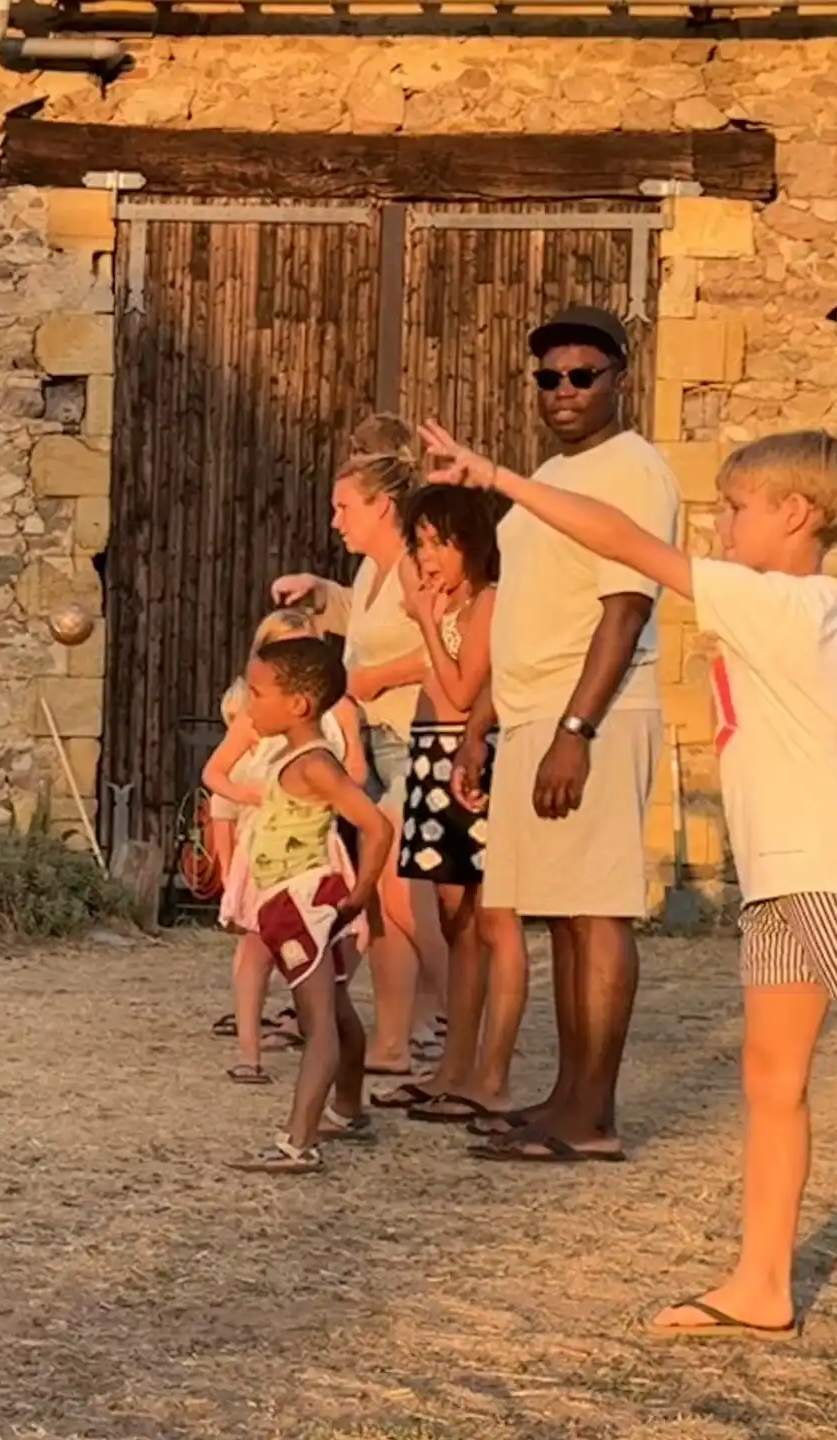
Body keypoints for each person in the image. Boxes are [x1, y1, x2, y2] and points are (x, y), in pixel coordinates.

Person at [422, 421, 837, 1357]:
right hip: (783, 881)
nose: (720, 526)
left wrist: (500, 478)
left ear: (796, 514)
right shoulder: (818, 613)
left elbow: (622, 540)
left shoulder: (779, 603)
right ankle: (762, 1285)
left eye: (736, 508)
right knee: (772, 1081)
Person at [442, 305, 680, 1163]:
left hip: (594, 713)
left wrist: (576, 730)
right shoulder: (550, 474)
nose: (564, 390)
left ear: (620, 381)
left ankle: (595, 1117)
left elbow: (625, 609)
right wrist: (482, 725)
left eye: (583, 375)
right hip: (534, 711)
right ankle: (568, 1097)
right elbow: (527, 612)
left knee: (597, 909)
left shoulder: (633, 470)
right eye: (549, 377)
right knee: (562, 915)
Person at [272, 437, 449, 1081]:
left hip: (415, 741)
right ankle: (397, 1038)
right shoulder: (374, 573)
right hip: (378, 744)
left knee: (400, 891)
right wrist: (319, 590)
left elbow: (450, 643)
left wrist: (373, 679)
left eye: (345, 507)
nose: (336, 520)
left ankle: (461, 1006)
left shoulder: (414, 566)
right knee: (380, 898)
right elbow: (361, 613)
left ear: (382, 507)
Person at [375, 484, 531, 1125]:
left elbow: (465, 691)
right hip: (429, 756)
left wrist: (423, 621)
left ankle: (491, 1074)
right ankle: (453, 1067)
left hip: (468, 758)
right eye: (422, 544)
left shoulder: (488, 602)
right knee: (454, 920)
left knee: (491, 919)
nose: (429, 557)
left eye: (442, 543)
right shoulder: (449, 604)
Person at [225, 636, 395, 1175]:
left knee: (317, 1022)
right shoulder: (293, 756)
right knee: (337, 1009)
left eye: (257, 694)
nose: (249, 704)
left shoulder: (316, 764)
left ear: (298, 704)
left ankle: (298, 1142)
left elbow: (376, 826)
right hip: (289, 902)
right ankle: (348, 1110)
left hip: (302, 903)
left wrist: (361, 896)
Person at [206, 609, 366, 1083]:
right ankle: (249, 1051)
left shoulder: (339, 715)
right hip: (267, 843)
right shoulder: (253, 719)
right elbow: (215, 773)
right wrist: (250, 796)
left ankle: (314, 1030)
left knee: (338, 942)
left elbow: (358, 773)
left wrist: (329, 786)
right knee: (256, 946)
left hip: (317, 844)